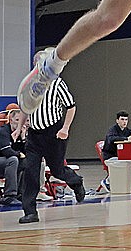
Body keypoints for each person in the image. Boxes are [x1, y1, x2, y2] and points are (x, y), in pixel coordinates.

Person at [19, 49, 85, 224]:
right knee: (30, 171)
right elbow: (25, 107)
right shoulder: (29, 84)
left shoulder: (58, 83)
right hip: (34, 134)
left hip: (53, 132)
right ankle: (30, 212)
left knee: (57, 170)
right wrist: (19, 128)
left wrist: (65, 128)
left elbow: (71, 106)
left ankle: (76, 182)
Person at [0, 112, 24, 206]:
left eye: (21, 120)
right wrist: (19, 154)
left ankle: (21, 193)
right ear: (10, 120)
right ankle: (9, 195)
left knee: (25, 162)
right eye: (17, 120)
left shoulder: (21, 132)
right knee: (13, 159)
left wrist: (23, 138)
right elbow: (7, 152)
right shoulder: (3, 132)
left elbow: (26, 152)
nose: (19, 123)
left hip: (9, 162)